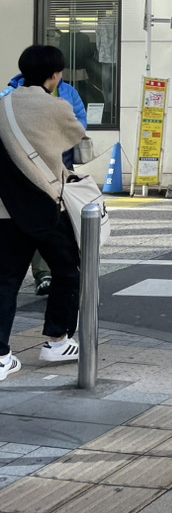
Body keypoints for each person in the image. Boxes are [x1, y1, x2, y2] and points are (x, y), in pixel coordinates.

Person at [0, 45, 87, 380]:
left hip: (6, 208)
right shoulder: (58, 106)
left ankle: (2, 356)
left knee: (5, 281)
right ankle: (56, 340)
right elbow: (75, 135)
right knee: (67, 270)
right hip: (47, 203)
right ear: (55, 76)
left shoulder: (4, 102)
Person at [7, 71, 86, 297]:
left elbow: (80, 123)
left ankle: (47, 277)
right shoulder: (9, 96)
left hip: (55, 174)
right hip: (28, 181)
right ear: (53, 74)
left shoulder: (68, 92)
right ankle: (44, 277)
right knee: (47, 233)